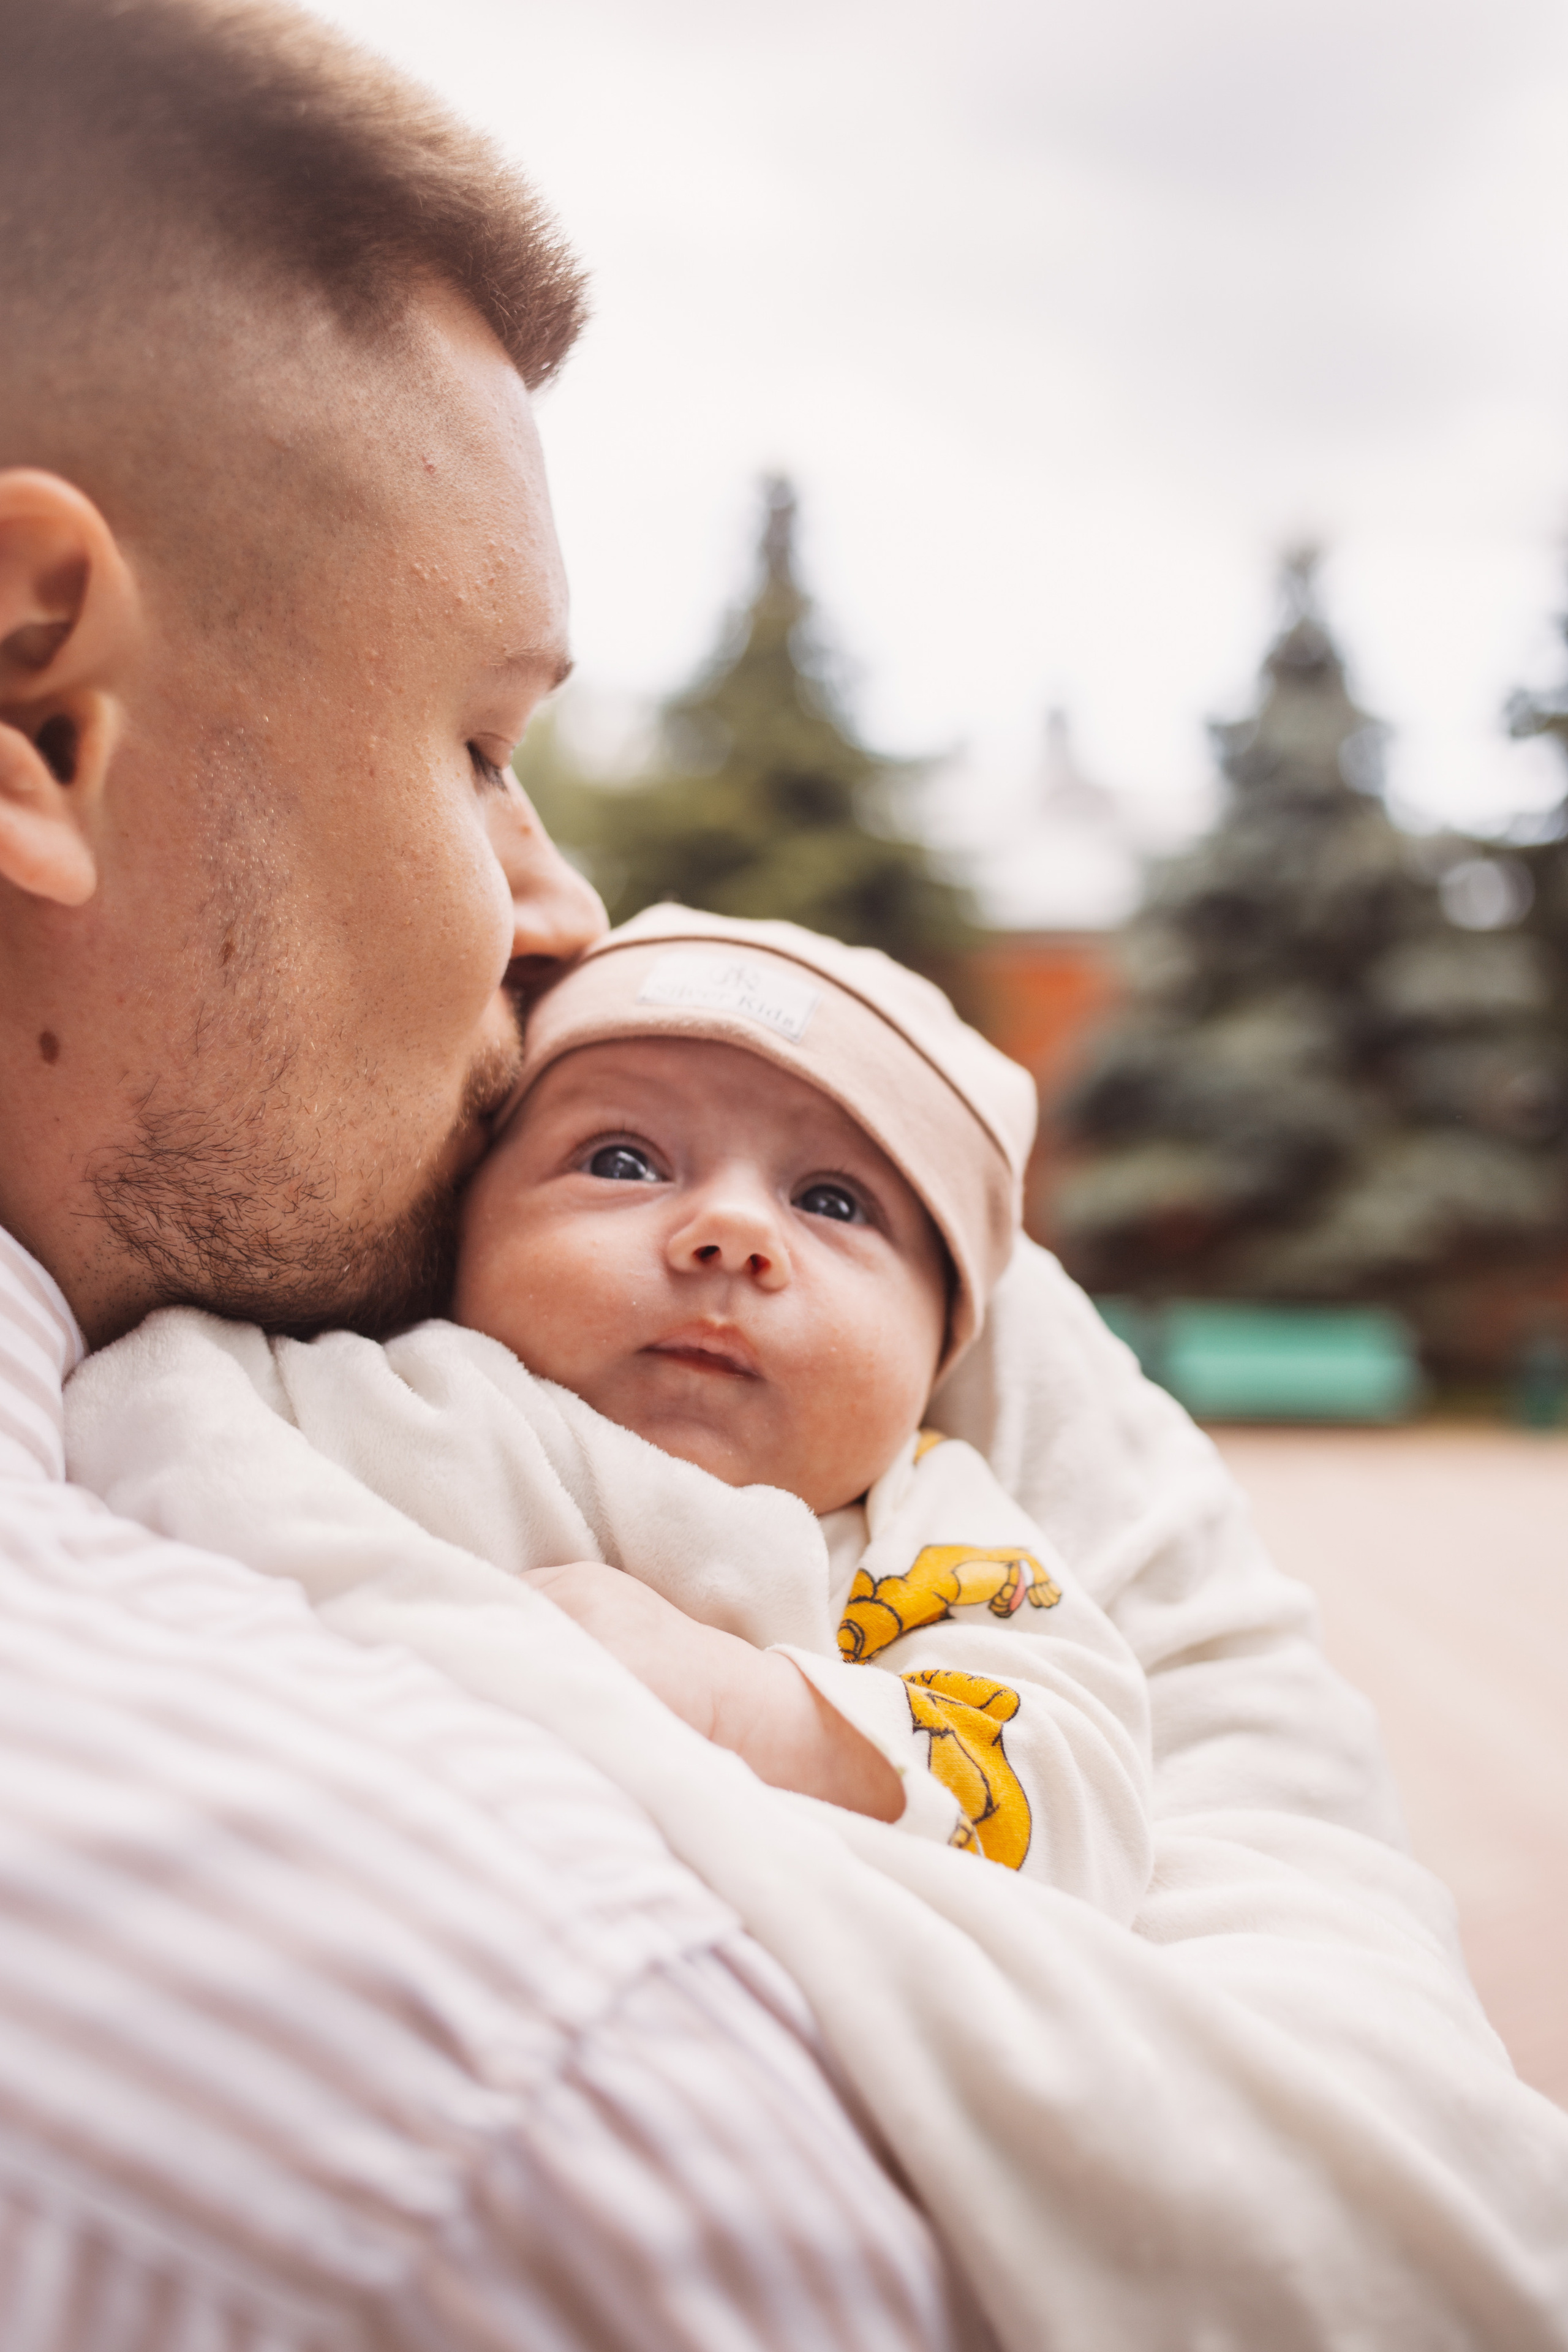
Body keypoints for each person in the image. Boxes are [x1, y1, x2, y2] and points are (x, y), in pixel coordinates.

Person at [4, 0, 1567, 2345]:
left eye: (835, 1208)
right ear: (38, 704)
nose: (563, 910)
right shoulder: (523, 2091)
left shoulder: (903, 1503)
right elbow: (1423, 2251)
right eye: (483, 747)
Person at [70, 907, 1156, 1915]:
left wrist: (755, 1714)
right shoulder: (396, 1399)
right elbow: (141, 1424)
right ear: (461, 1228)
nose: (732, 1231)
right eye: (624, 1161)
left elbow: (1080, 1805)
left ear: (943, 1338)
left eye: (832, 1201)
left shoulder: (929, 1530)